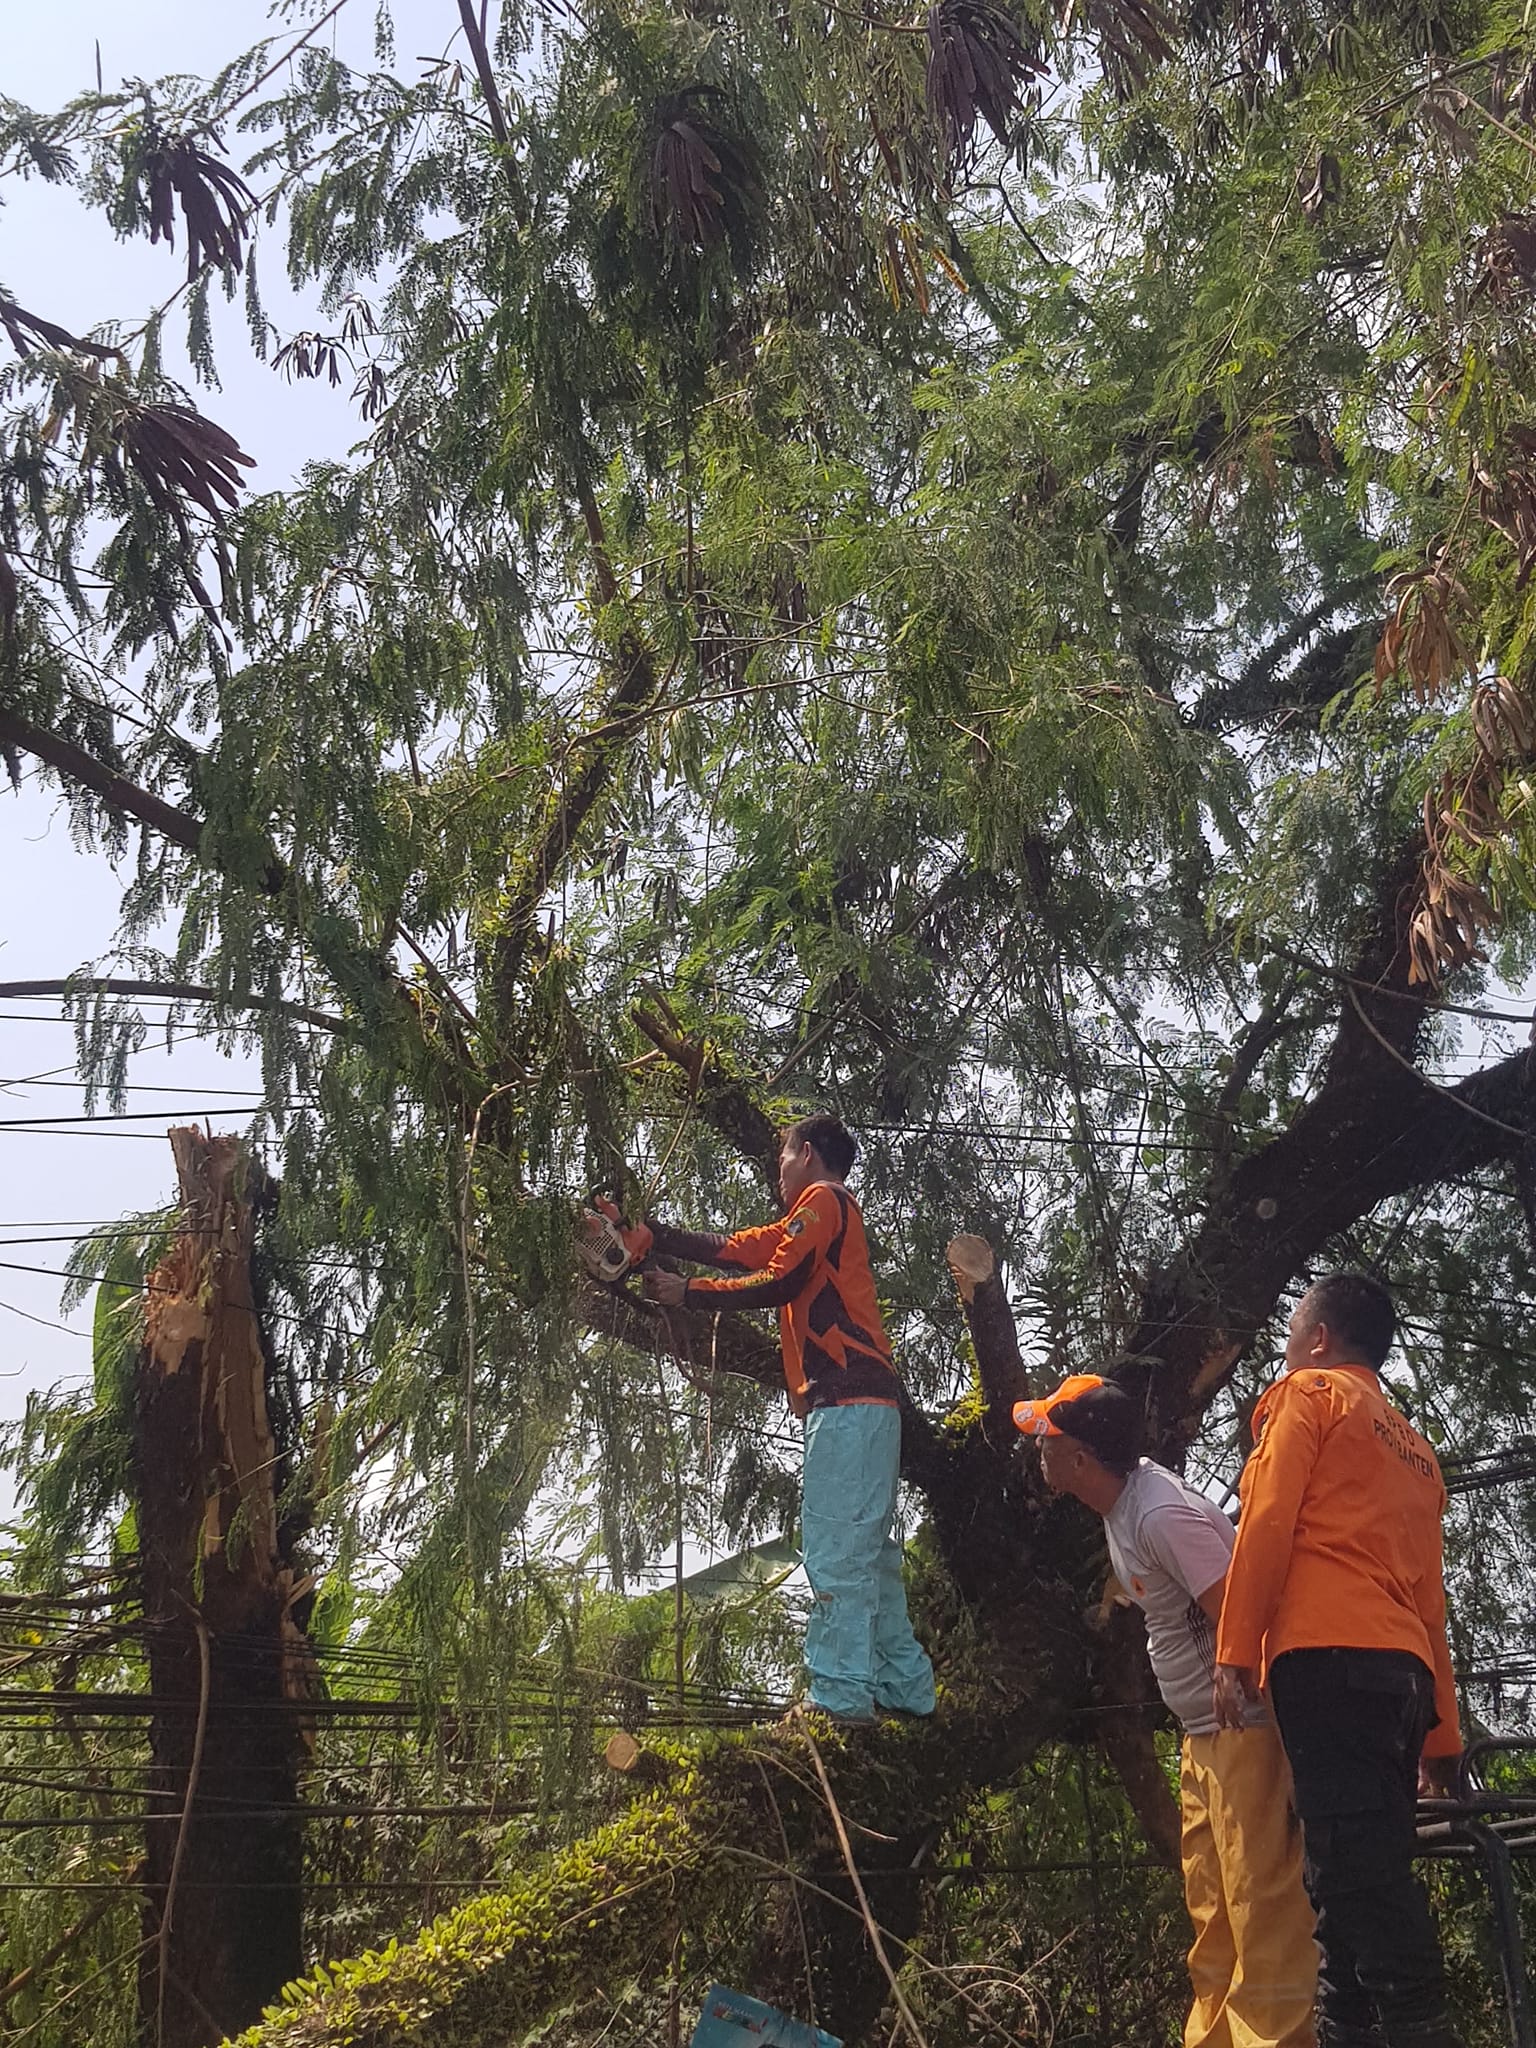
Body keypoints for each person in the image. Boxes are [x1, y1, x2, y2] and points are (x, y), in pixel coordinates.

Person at [1016, 1373, 1318, 2048]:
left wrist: (1242, 1683)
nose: (1039, 1448)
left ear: (1082, 1459)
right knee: (1214, 1921)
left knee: (1262, 1917)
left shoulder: (1161, 1515)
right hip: (1204, 1739)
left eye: (1048, 1438)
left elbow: (1247, 1610)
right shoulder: (1125, 1505)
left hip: (1246, 1735)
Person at [1214, 1273, 1463, 2048]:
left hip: (1327, 1661)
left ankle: (1424, 2027)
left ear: (1319, 1338)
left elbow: (1268, 1522)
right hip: (1402, 1682)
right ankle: (1348, 2031)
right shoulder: (1416, 1453)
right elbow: (1431, 1601)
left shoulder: (1307, 1395)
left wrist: (1233, 1651)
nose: (1287, 1343)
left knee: (1361, 1879)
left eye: (1292, 1326)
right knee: (1343, 1878)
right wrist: (1442, 1738)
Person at [642, 1114, 935, 1725]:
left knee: (833, 1552)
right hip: (870, 1405)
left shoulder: (823, 1201)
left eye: (782, 1156)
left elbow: (779, 1278)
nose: (779, 1168)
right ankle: (904, 1687)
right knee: (871, 1556)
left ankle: (838, 1699)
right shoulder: (819, 1214)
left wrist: (686, 1291)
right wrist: (656, 1236)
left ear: (805, 1153)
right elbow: (743, 1246)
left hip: (848, 1405)